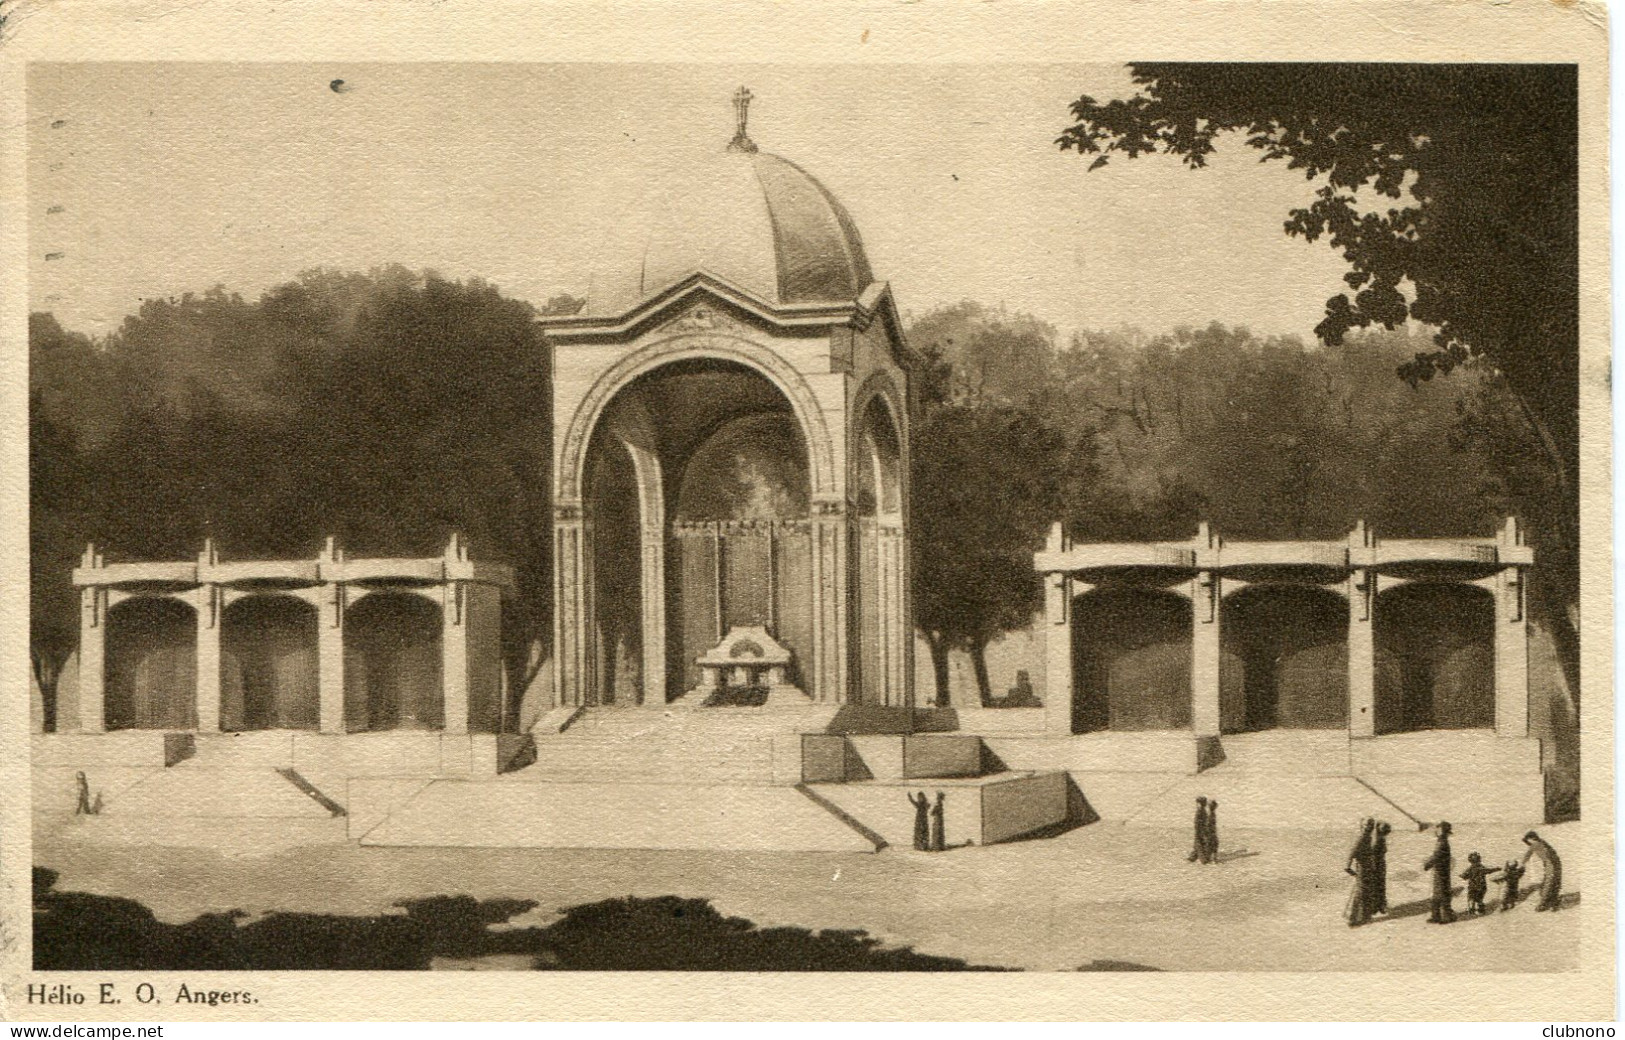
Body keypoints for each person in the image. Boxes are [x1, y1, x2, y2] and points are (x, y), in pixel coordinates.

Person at [1422, 821, 1457, 924]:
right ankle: (1436, 916)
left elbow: (1436, 856)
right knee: (1437, 894)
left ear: (1442, 831)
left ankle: (1445, 917)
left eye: (1438, 829)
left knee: (1442, 894)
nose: (1435, 831)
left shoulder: (1442, 843)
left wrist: (1427, 864)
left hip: (1442, 873)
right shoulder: (1441, 841)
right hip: (1440, 871)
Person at [1520, 830, 1563, 911]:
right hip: (1556, 863)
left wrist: (1522, 864)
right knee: (1555, 882)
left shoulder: (1535, 844)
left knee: (1549, 883)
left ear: (1532, 838)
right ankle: (1553, 901)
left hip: (1550, 864)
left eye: (1529, 840)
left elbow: (1527, 855)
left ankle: (1543, 904)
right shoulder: (1541, 841)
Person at [1345, 818, 1375, 926]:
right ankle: (1353, 919)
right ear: (1362, 825)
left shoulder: (1368, 837)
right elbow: (1352, 853)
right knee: (1360, 893)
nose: (1369, 827)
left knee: (1365, 893)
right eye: (1367, 825)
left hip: (1367, 869)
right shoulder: (1361, 838)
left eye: (1371, 825)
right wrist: (1349, 869)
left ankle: (1363, 917)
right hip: (1362, 870)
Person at [1369, 821, 1391, 916]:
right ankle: (1377, 907)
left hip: (1380, 864)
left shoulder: (1379, 839)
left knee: (1379, 885)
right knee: (1378, 885)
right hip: (1377, 865)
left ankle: (1378, 906)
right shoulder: (1377, 840)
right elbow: (1375, 852)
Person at [1189, 796, 1210, 864]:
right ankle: (1198, 858)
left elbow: (1199, 822)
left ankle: (1197, 858)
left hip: (1201, 830)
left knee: (1199, 844)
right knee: (1198, 844)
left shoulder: (1201, 811)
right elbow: (1198, 822)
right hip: (1200, 830)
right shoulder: (1201, 811)